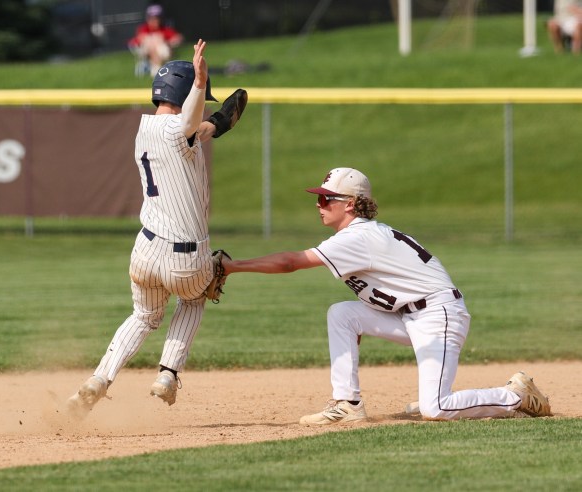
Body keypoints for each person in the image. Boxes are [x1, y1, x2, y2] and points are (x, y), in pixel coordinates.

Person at [221, 167, 552, 425]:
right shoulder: (360, 234)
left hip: (439, 315)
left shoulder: (357, 237)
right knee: (342, 314)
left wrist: (231, 267)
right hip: (411, 316)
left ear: (350, 203)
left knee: (436, 409)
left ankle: (515, 396)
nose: (319, 204)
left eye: (326, 199)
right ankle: (347, 404)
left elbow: (290, 262)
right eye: (319, 198)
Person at [66, 40, 241, 419]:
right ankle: (167, 374)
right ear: (184, 95)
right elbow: (191, 123)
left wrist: (219, 121)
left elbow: (196, 129)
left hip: (144, 250)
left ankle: (99, 379)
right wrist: (200, 83)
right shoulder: (182, 129)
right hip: (186, 255)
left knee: (143, 317)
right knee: (193, 299)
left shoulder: (145, 130)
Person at [128, 4, 184, 76]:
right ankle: (156, 68)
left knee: (159, 43)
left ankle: (156, 68)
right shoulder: (144, 28)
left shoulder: (165, 29)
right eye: (152, 18)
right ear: (148, 18)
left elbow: (179, 38)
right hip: (143, 50)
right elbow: (140, 39)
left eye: (157, 18)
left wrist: (167, 42)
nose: (155, 20)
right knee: (153, 40)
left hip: (163, 51)